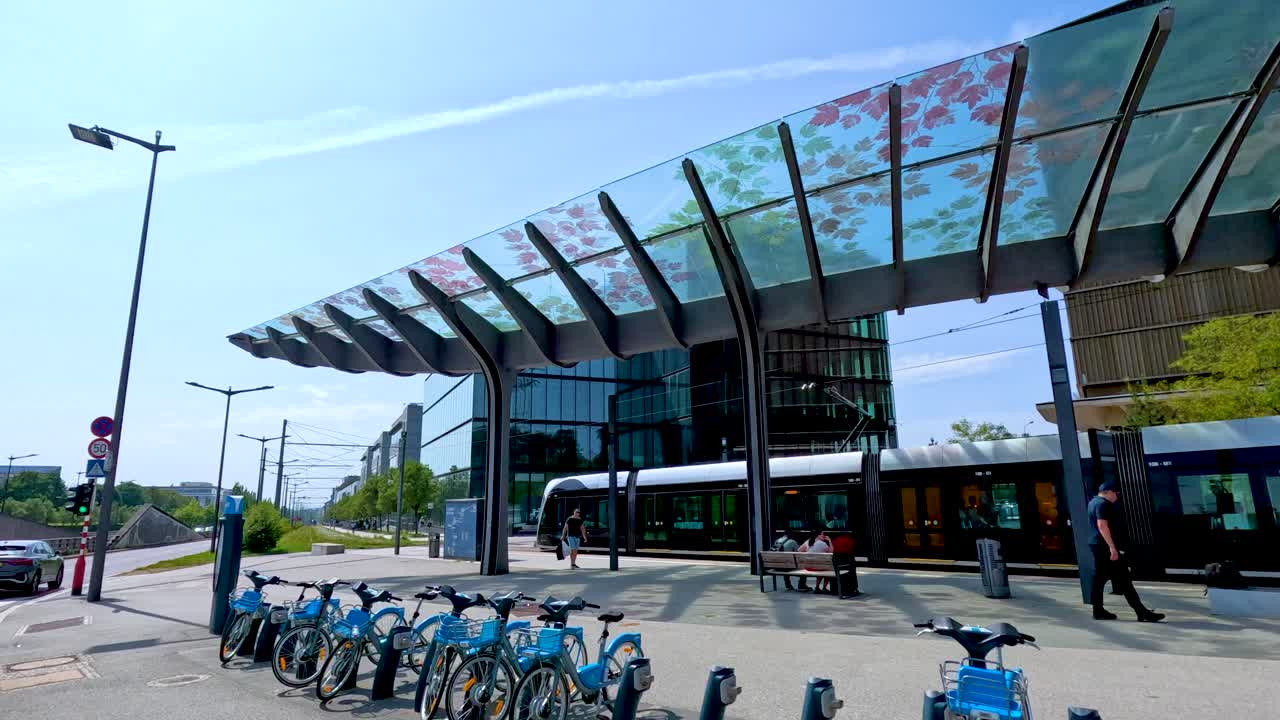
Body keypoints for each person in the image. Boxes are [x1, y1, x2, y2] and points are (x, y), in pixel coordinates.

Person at [1088, 480, 1164, 622]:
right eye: (1116, 493)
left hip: (1098, 545)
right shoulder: (1103, 504)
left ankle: (1098, 610)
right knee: (1124, 580)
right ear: (1108, 492)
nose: (1117, 496)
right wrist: (1112, 547)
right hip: (1107, 548)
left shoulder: (1092, 502)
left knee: (1099, 579)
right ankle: (1142, 613)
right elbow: (1102, 525)